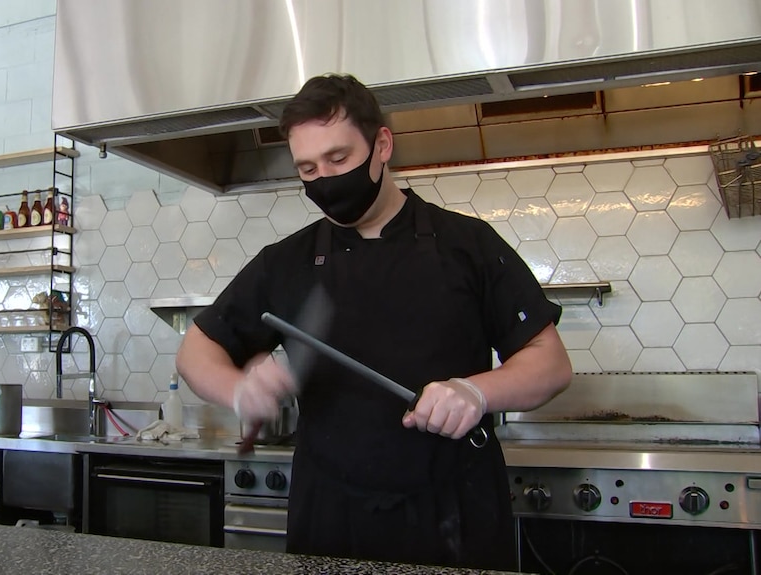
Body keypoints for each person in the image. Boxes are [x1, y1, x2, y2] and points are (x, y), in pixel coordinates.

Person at [176, 73, 572, 570]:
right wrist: (238, 390)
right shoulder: (286, 263)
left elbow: (551, 364)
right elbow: (196, 351)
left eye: (338, 159)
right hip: (330, 515)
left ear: (382, 144)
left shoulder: (468, 245)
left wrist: (477, 392)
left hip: (453, 510)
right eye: (307, 168)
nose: (324, 179)